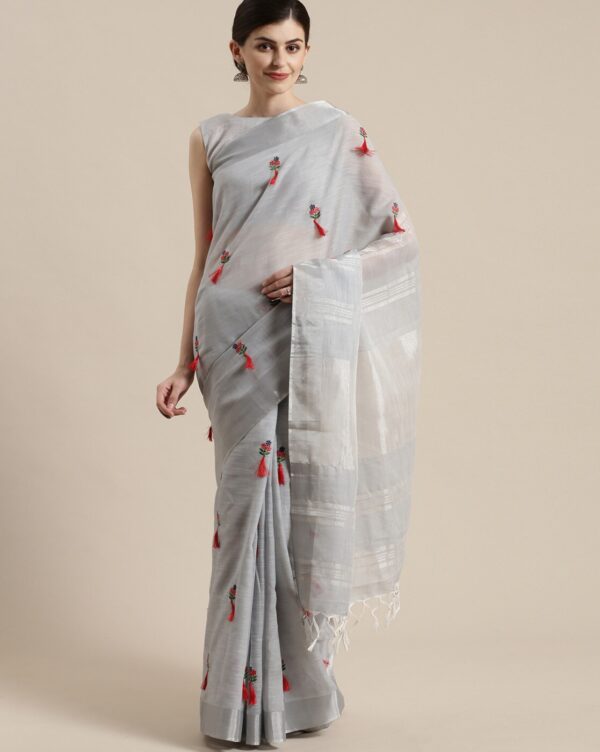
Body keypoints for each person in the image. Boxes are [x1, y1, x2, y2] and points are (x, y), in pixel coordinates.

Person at [155, 0, 422, 746]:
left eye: (294, 46)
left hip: (296, 338)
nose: (280, 60)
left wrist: (315, 279)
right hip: (227, 344)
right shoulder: (211, 137)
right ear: (236, 50)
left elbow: (399, 239)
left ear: (307, 52)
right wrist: (182, 360)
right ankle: (236, 706)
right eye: (265, 45)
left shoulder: (336, 132)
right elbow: (206, 255)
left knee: (288, 517)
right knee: (241, 517)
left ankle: (293, 698)